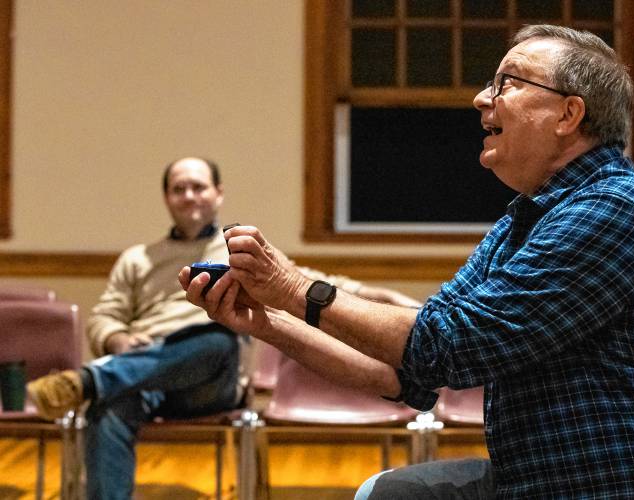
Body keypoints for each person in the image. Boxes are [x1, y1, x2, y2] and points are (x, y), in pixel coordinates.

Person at [181, 25, 634, 498]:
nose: (481, 98)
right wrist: (269, 324)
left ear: (569, 113)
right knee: (392, 494)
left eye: (507, 83)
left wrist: (291, 286)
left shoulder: (614, 209)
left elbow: (451, 346)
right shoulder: (524, 220)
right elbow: (406, 372)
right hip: (546, 480)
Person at [27, 156, 422, 500]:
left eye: (198, 187)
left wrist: (396, 303)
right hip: (146, 376)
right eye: (179, 189)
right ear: (167, 198)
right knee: (109, 404)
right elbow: (104, 316)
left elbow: (312, 282)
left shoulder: (240, 250)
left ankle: (91, 379)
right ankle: (99, 383)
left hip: (210, 383)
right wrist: (118, 338)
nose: (189, 195)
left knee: (218, 339)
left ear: (217, 194)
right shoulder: (138, 260)